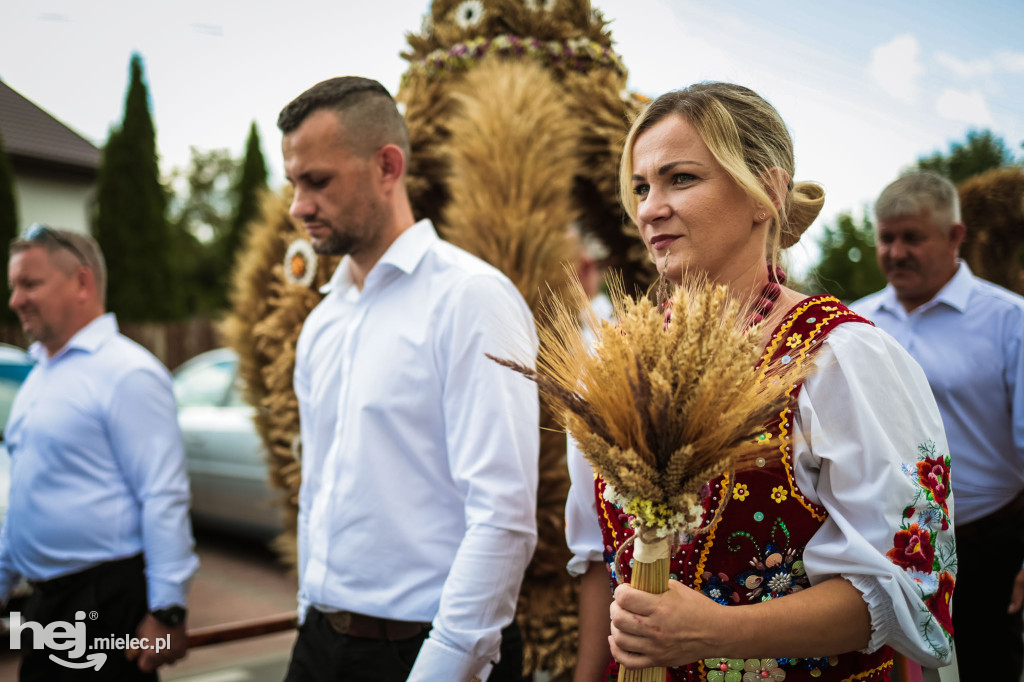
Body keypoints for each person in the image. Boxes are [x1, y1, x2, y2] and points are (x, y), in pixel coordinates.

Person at [564, 83, 957, 681]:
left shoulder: (838, 356)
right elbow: (597, 559)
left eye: (681, 179)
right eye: (641, 187)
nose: (649, 208)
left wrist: (715, 632)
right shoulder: (616, 366)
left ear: (765, 193)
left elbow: (908, 586)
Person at [278, 77, 539, 682]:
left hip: (424, 653)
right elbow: (317, 487)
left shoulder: (470, 299)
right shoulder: (323, 321)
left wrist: (443, 667)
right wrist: (306, 615)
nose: (298, 206)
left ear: (387, 167)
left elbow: (502, 513)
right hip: (319, 644)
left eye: (317, 181)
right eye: (294, 183)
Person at [0, 225, 198, 680]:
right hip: (44, 602)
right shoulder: (40, 374)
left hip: (102, 601)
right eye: (14, 286)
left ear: (82, 283)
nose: (15, 300)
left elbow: (163, 495)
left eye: (29, 283)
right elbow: (29, 492)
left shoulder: (127, 373)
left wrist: (168, 610)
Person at [851, 171, 1024, 680]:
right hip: (884, 548)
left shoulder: (1010, 321)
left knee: (990, 667)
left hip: (990, 543)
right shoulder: (854, 326)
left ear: (954, 236)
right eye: (887, 237)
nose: (896, 251)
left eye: (912, 237)